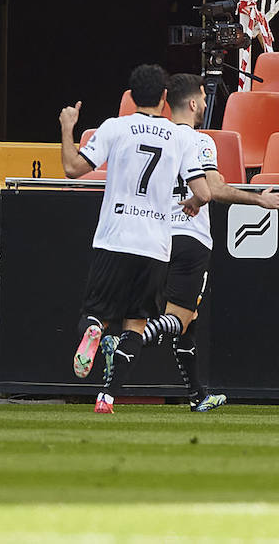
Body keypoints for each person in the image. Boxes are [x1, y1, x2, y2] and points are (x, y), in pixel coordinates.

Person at [111, 73, 279, 413]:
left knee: (188, 326)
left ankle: (197, 395)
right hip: (190, 238)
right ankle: (130, 342)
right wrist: (258, 199)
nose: (207, 103)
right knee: (182, 317)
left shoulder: (151, 138)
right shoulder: (199, 142)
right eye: (204, 98)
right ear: (193, 102)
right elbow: (212, 189)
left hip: (152, 239)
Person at [60, 64, 211, 415]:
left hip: (114, 238)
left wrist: (68, 128)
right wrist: (190, 203)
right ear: (163, 97)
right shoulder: (179, 137)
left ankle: (94, 330)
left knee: (95, 313)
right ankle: (108, 397)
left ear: (131, 96)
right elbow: (203, 192)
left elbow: (72, 169)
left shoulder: (114, 128)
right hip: (154, 246)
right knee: (136, 326)